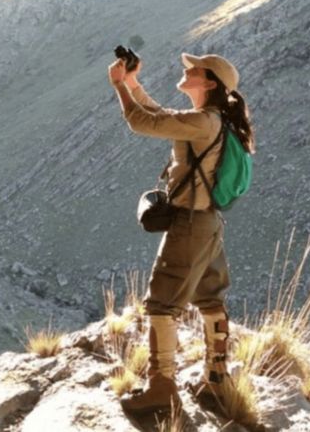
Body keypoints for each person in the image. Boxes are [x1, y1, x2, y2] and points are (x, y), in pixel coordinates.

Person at [107, 51, 255, 415]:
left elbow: (141, 121)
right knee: (210, 297)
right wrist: (132, 82)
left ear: (209, 83)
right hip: (208, 223)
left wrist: (117, 87)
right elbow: (159, 114)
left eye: (195, 69)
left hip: (190, 225)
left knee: (161, 304)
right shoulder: (210, 120)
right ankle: (216, 381)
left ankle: (162, 388)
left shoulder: (203, 122)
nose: (186, 69)